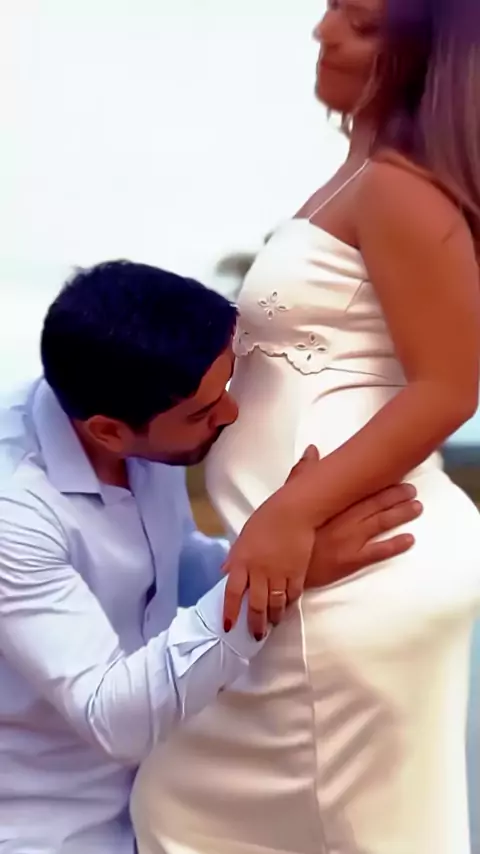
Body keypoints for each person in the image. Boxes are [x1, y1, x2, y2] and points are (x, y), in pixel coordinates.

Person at [131, 3, 480, 854]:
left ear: (426, 54)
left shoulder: (398, 187)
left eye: (358, 22)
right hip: (317, 571)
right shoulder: (358, 178)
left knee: (186, 808)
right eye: (331, 8)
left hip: (353, 571)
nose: (324, 32)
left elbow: (449, 388)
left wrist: (288, 512)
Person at [0, 261, 421, 853]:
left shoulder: (132, 410)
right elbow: (111, 717)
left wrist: (281, 548)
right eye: (201, 413)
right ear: (108, 431)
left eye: (222, 389)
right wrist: (270, 580)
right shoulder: (15, 513)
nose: (228, 414)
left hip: (167, 797)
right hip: (53, 832)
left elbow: (170, 565)